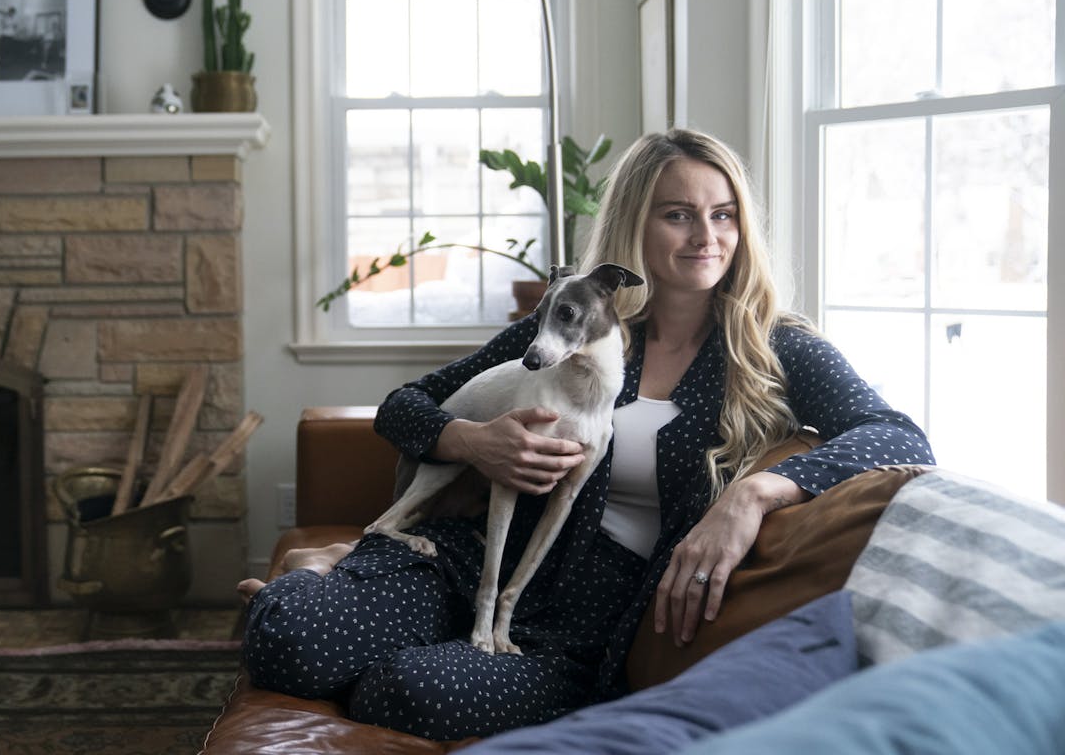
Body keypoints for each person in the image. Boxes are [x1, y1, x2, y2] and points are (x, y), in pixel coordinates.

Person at [240, 128, 934, 742]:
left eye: (723, 215)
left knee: (408, 690)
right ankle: (330, 572)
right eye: (679, 215)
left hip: (578, 630)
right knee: (289, 641)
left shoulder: (776, 347)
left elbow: (897, 436)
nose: (706, 236)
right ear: (637, 223)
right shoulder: (577, 321)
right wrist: (472, 443)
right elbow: (404, 405)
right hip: (467, 560)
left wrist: (754, 494)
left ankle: (354, 579)